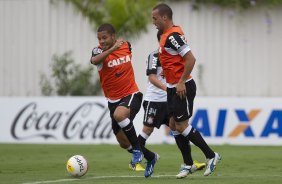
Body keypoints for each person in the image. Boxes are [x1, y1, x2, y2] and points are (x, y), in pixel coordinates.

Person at [151, 3, 222, 178]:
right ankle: (188, 163)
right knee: (174, 124)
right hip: (172, 87)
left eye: (155, 18)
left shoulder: (172, 36)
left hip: (182, 87)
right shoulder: (167, 35)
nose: (153, 22)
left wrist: (181, 81)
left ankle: (211, 155)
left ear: (164, 17)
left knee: (182, 125)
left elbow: (191, 59)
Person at [90, 23, 158, 178]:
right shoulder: (98, 51)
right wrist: (112, 49)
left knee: (120, 115)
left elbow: (126, 50)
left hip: (132, 94)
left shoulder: (126, 45)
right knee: (122, 142)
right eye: (99, 38)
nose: (101, 41)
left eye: (105, 37)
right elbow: (94, 61)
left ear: (114, 36)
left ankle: (137, 150)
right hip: (112, 100)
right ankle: (151, 157)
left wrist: (115, 48)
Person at [134, 30, 205, 178]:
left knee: (178, 126)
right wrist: (169, 89)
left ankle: (188, 162)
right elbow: (152, 78)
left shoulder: (175, 56)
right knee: (147, 130)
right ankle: (140, 159)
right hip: (154, 100)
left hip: (169, 99)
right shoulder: (154, 56)